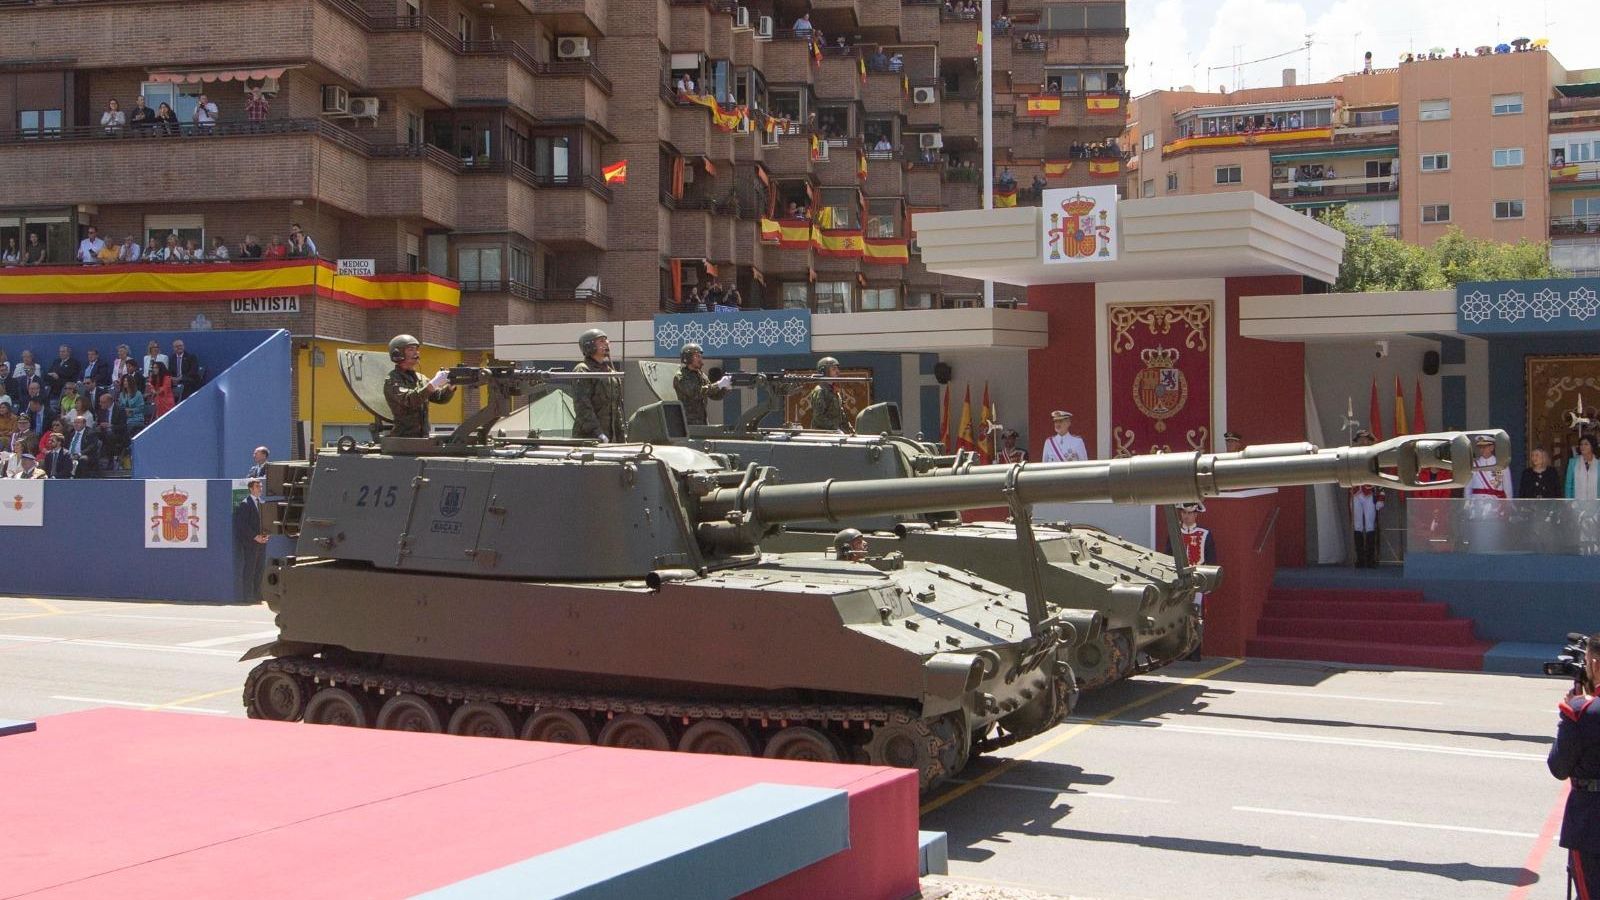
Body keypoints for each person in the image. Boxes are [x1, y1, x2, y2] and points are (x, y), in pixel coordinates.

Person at [1548, 634, 1600, 900]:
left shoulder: (1583, 713)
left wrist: (1569, 713)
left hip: (1590, 822)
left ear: (1595, 664)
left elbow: (1558, 766)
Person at [382, 334, 455, 438]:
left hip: (422, 437)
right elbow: (409, 400)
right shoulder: (393, 380)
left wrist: (451, 385)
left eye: (416, 349)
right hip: (403, 439)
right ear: (398, 353)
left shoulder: (421, 378)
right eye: (411, 349)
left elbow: (439, 398)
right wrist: (434, 383)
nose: (416, 353)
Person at [572, 328, 624, 442]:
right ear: (589, 346)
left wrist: (621, 436)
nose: (606, 343)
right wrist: (598, 433)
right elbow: (582, 406)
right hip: (587, 440)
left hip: (611, 438)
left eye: (606, 340)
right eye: (601, 341)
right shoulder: (583, 370)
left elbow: (616, 408)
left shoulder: (611, 372)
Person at [672, 343, 733, 427]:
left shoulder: (701, 375)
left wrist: (724, 388)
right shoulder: (681, 376)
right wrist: (719, 384)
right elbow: (696, 393)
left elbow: (714, 395)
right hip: (688, 425)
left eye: (700, 356)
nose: (700, 359)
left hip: (702, 423)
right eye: (697, 356)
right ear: (688, 358)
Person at [1350, 429, 1385, 567]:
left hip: (1370, 493)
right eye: (1360, 440)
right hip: (1355, 492)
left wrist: (1381, 496)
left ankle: (1371, 559)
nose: (1363, 442)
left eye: (1365, 440)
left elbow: (1380, 476)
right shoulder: (1351, 456)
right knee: (1358, 526)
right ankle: (1360, 559)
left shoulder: (1374, 456)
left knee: (1370, 526)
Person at [234, 478, 270, 602]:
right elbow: (242, 525)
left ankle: (257, 594)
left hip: (262, 543)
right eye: (257, 486)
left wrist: (266, 535)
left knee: (260, 568)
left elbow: (266, 522)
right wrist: (256, 537)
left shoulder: (262, 502)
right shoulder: (245, 504)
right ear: (251, 488)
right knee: (250, 568)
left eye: (260, 486)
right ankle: (248, 596)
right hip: (250, 543)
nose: (260, 488)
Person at [806, 356, 850, 432]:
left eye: (837, 368)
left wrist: (849, 430)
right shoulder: (820, 391)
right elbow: (819, 418)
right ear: (824, 371)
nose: (837, 372)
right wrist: (836, 429)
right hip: (823, 435)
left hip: (834, 433)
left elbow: (841, 414)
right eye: (833, 369)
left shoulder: (834, 390)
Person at [1465, 434, 1512, 498]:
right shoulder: (1473, 465)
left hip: (1495, 503)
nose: (1482, 449)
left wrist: (1507, 503)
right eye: (1480, 447)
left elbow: (1507, 487)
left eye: (1484, 447)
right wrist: (1467, 503)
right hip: (1477, 503)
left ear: (1492, 447)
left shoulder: (1501, 465)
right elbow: (1468, 487)